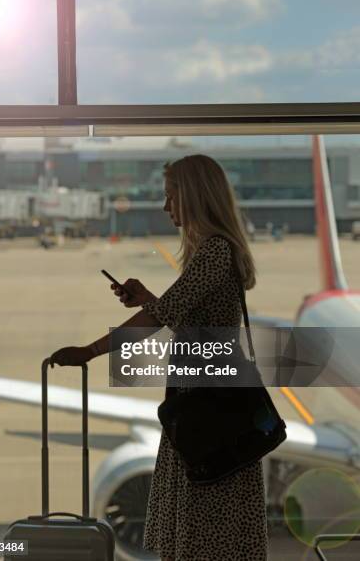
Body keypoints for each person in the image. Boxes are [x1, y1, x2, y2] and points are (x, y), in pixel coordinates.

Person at [49, 154, 268, 561]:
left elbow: (159, 319)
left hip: (207, 409)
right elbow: (183, 316)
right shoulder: (215, 253)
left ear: (195, 197)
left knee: (203, 531)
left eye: (171, 196)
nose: (166, 207)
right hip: (203, 402)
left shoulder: (215, 253)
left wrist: (91, 351)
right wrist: (150, 299)